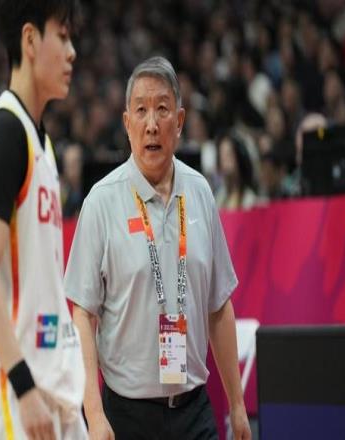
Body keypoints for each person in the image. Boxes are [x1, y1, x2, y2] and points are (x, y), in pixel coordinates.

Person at [65, 56, 251, 440]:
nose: (151, 124)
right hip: (126, 415)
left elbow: (219, 306)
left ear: (179, 121)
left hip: (195, 410)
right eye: (141, 110)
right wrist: (94, 413)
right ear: (126, 123)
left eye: (162, 109)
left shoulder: (200, 193)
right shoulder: (101, 201)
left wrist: (236, 404)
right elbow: (83, 314)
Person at [0, 1, 86, 439]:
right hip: (16, 388)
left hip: (50, 385)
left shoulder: (43, 144)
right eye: (63, 36)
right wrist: (23, 385)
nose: (72, 51)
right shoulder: (6, 131)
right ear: (31, 40)